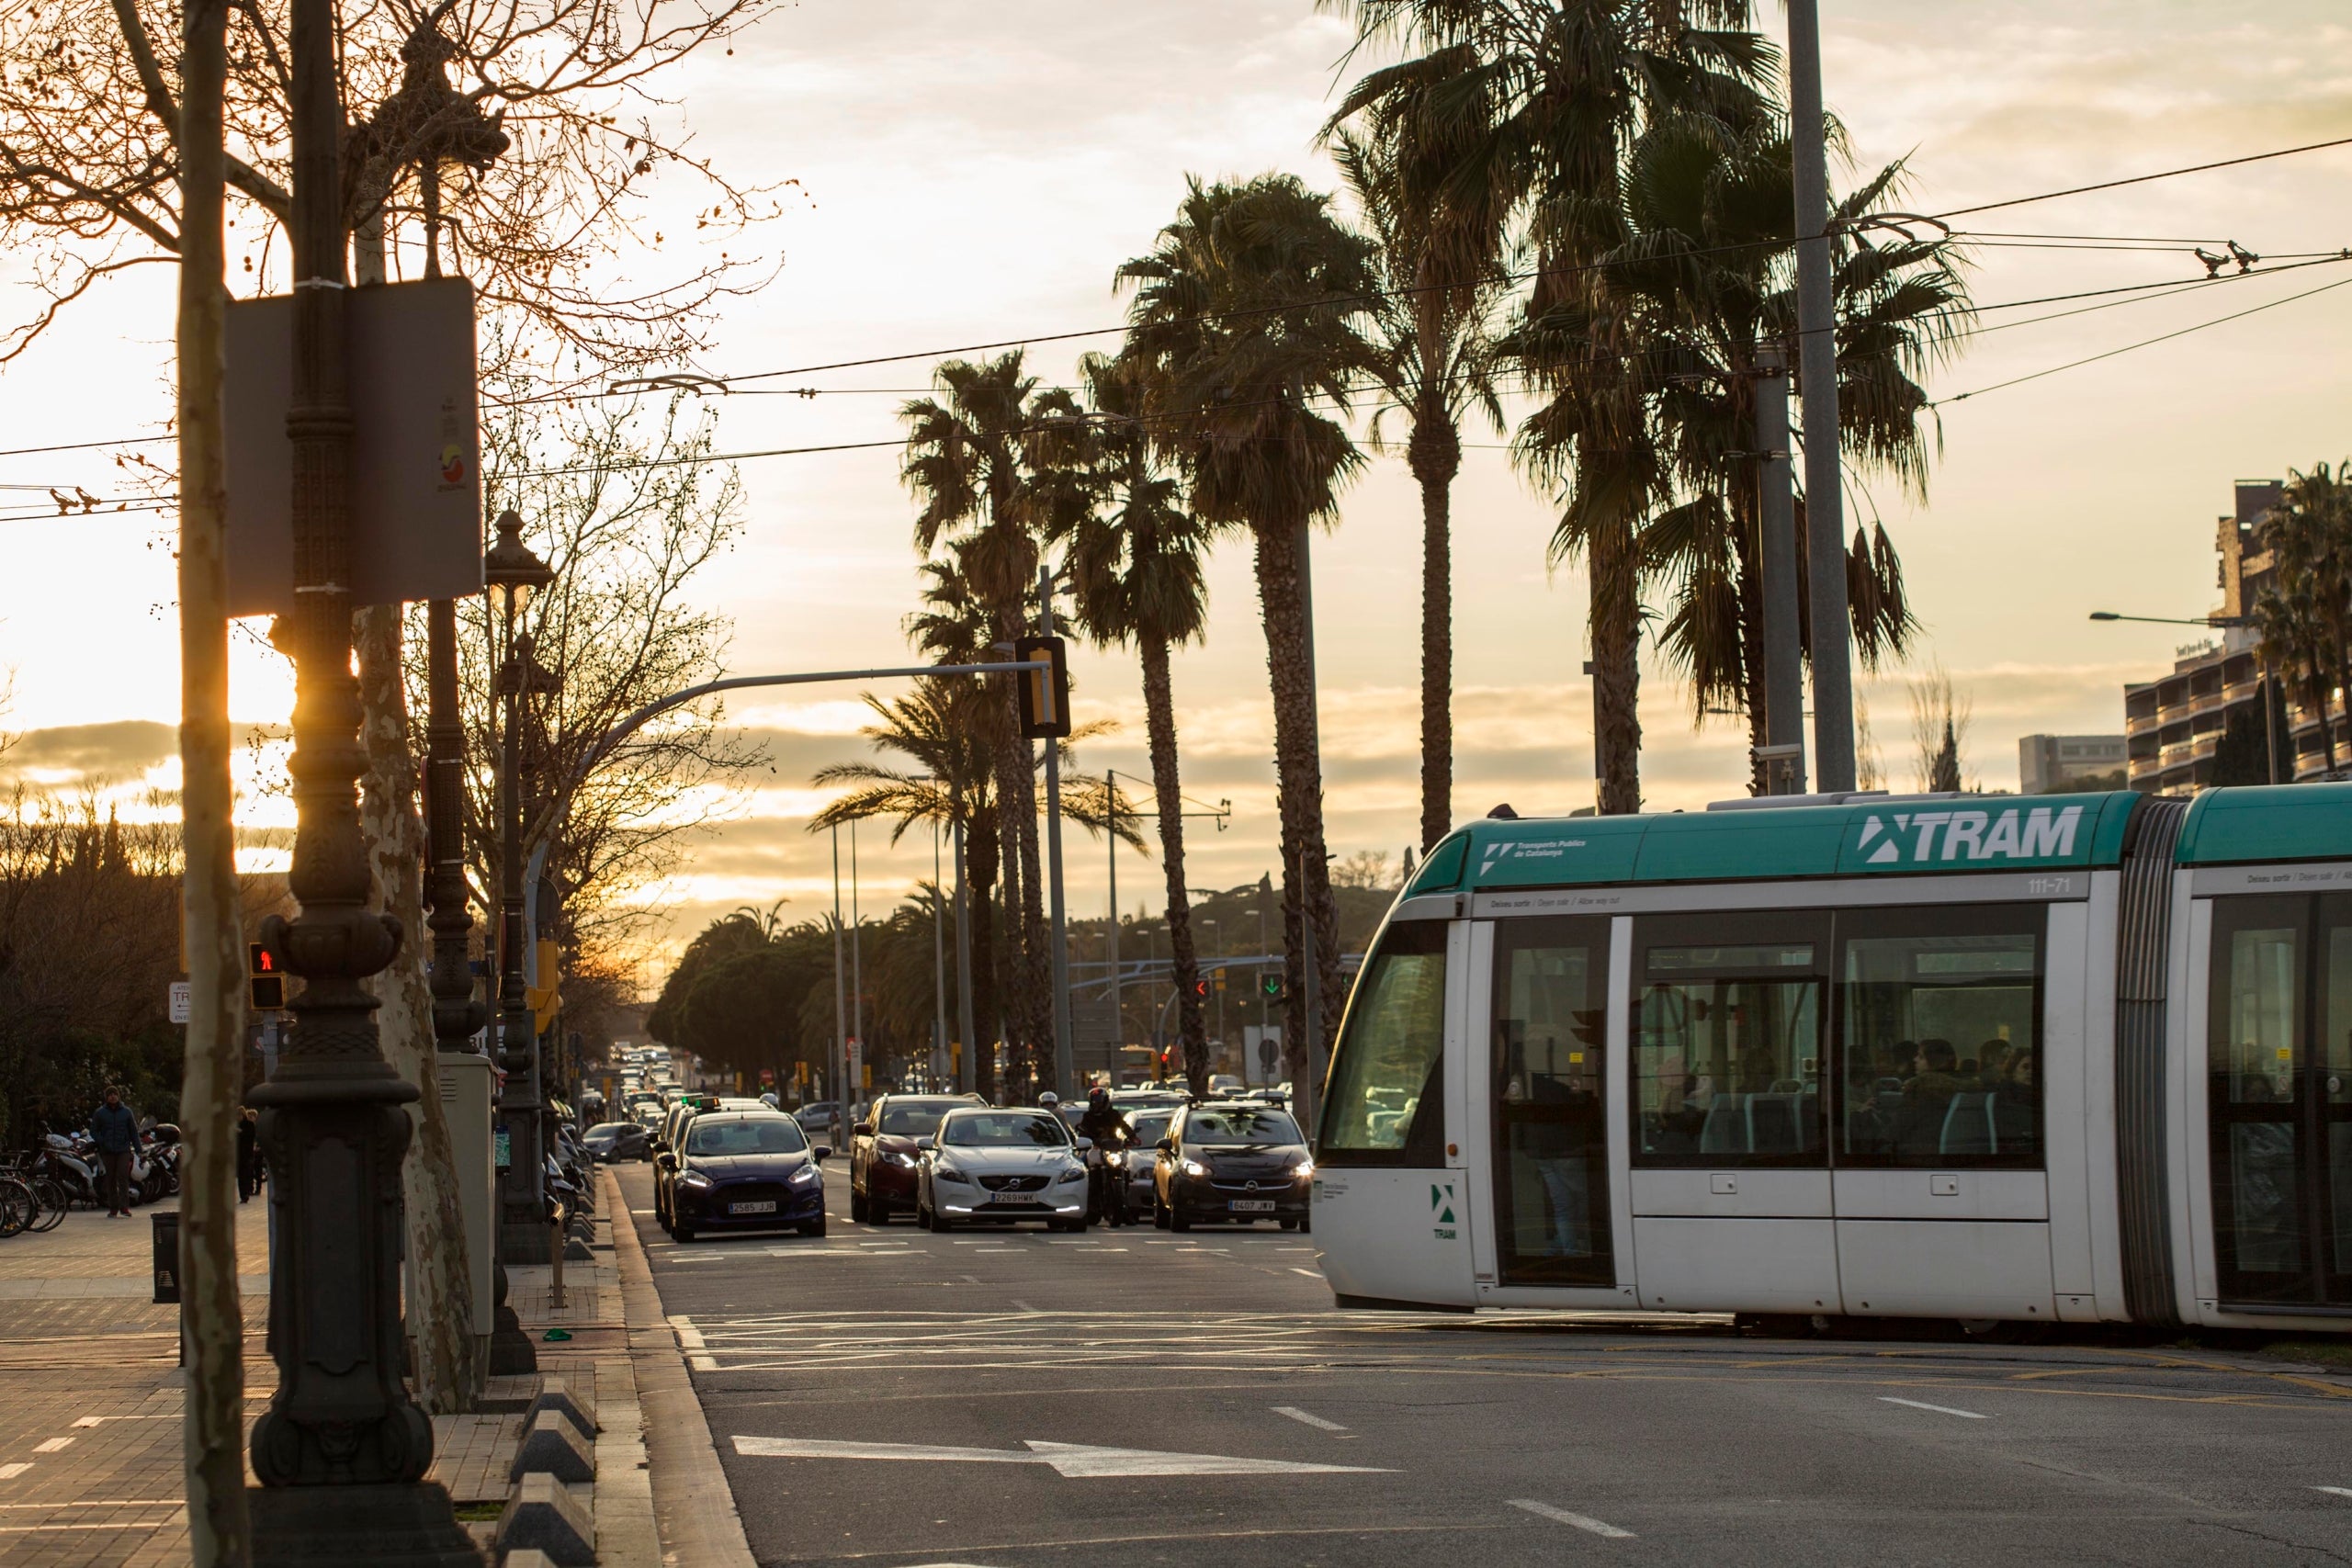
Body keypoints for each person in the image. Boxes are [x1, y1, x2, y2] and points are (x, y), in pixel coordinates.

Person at [1074, 1088, 1133, 1225]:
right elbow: (1083, 1132)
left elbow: (1124, 1127)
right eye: (1095, 1102)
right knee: (1083, 1167)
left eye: (1100, 1102)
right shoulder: (1088, 1117)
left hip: (1113, 1149)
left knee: (1125, 1168)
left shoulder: (1114, 1114)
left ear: (1106, 1101)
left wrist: (1132, 1137)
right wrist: (1087, 1140)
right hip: (1096, 1148)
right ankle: (1090, 1204)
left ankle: (1125, 1208)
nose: (1097, 1105)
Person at [89, 1087, 138, 1217]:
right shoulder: (100, 1113)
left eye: (115, 1094)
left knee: (122, 1176)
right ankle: (113, 1208)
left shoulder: (127, 1112)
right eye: (110, 1094)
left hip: (123, 1150)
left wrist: (139, 1149)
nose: (113, 1097)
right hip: (107, 1151)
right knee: (110, 1179)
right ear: (106, 1097)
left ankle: (125, 1207)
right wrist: (102, 1141)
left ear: (118, 1096)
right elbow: (93, 1131)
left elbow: (134, 1132)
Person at [235, 1108, 264, 1203]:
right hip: (239, 1153)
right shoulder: (236, 1125)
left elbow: (251, 1136)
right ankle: (243, 1194)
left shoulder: (249, 1125)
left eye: (239, 1115)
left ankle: (247, 1192)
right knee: (241, 1175)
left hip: (247, 1153)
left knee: (248, 1173)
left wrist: (240, 1132)